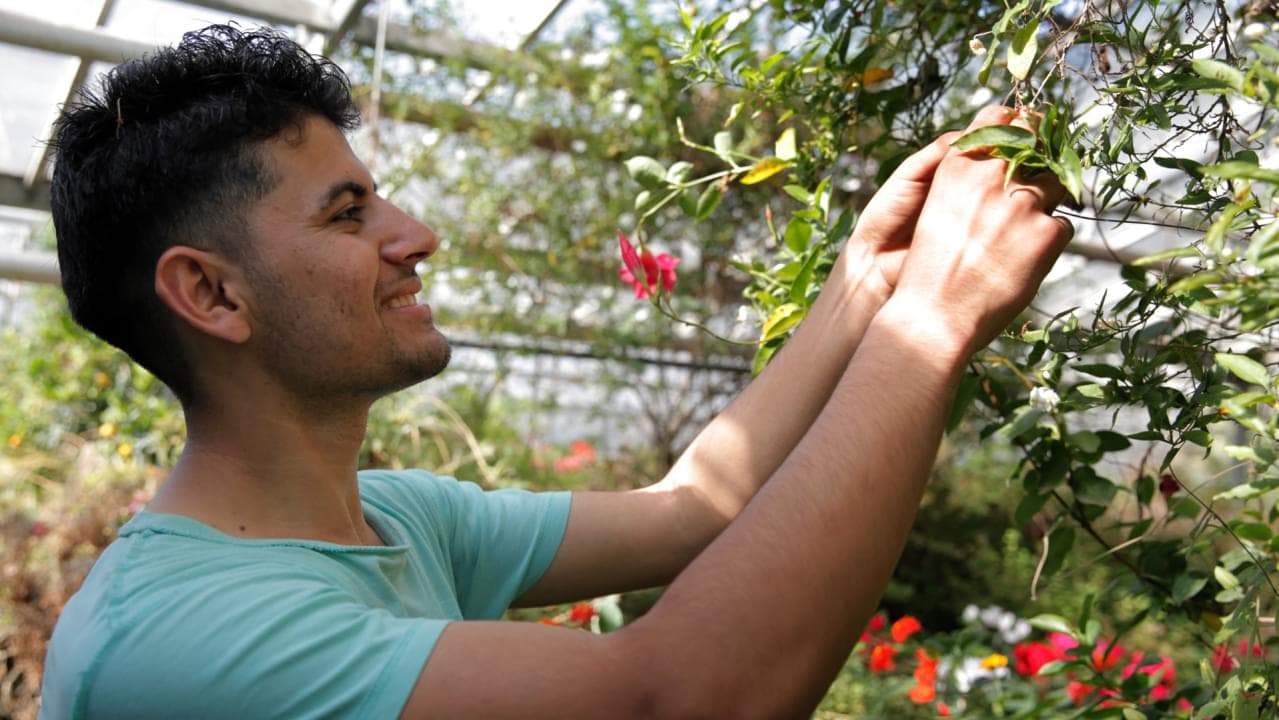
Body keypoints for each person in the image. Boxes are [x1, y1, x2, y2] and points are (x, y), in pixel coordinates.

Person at [38, 23, 1073, 719]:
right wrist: (931, 326)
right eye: (348, 214)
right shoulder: (181, 639)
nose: (418, 235)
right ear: (213, 296)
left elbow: (691, 507)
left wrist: (863, 283)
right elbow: (678, 697)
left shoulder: (394, 519)